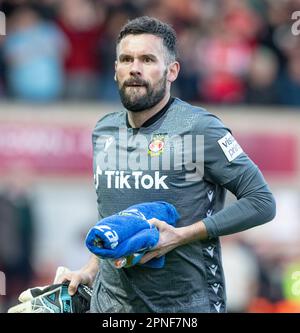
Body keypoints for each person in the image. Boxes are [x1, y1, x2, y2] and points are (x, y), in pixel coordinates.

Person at [57, 16, 276, 313]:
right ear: (115, 70)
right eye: (126, 59)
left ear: (172, 71)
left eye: (147, 59)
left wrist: (181, 236)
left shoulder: (200, 128)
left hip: (185, 308)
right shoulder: (104, 131)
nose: (134, 68)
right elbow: (112, 215)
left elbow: (262, 201)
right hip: (110, 308)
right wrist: (90, 269)